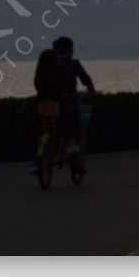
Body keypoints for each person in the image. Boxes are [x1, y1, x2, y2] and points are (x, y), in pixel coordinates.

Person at [52, 36, 95, 180]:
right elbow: (86, 81)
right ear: (70, 49)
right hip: (69, 102)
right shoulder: (74, 64)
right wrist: (92, 93)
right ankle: (78, 165)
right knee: (80, 134)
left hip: (50, 104)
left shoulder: (49, 64)